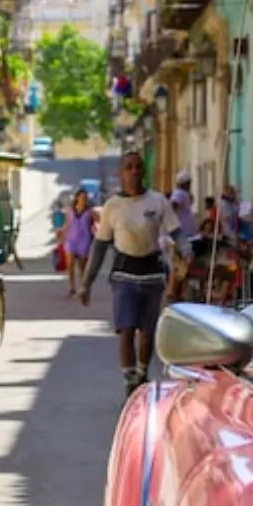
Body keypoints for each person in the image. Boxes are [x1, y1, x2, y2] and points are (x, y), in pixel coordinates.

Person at [81, 151, 181, 395]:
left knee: (146, 333)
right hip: (124, 276)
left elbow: (176, 232)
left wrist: (186, 251)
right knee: (126, 329)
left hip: (152, 275)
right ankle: (129, 381)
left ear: (144, 171)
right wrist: (86, 283)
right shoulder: (112, 207)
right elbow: (100, 246)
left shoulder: (157, 201)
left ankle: (142, 372)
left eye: (138, 166)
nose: (134, 171)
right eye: (129, 167)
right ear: (121, 173)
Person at [62, 187, 96, 297]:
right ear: (77, 198)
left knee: (82, 267)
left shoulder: (90, 212)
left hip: (84, 241)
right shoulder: (70, 211)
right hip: (71, 240)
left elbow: (100, 221)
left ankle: (83, 287)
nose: (83, 199)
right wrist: (62, 235)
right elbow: (67, 224)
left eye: (85, 198)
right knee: (70, 264)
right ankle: (71, 287)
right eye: (81, 197)